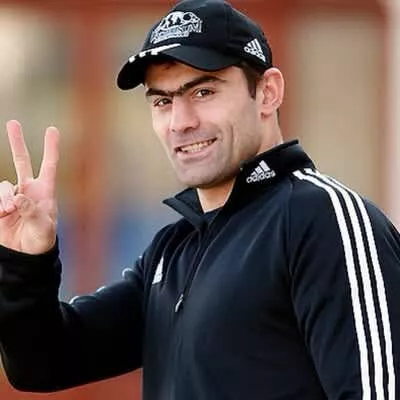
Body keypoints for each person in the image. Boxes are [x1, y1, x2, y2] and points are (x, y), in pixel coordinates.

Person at [0, 0, 399, 398]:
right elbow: (41, 363)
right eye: (162, 101)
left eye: (204, 92)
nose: (180, 122)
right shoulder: (173, 250)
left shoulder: (323, 220)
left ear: (267, 92)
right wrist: (25, 261)